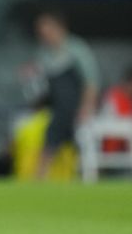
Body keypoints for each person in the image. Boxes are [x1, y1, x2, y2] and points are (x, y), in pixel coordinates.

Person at [33, 11, 100, 178]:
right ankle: (38, 182)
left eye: (48, 30)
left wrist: (86, 107)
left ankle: (93, 180)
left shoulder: (76, 49)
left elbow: (91, 80)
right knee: (49, 143)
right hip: (59, 109)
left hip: (77, 109)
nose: (45, 35)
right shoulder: (45, 54)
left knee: (85, 148)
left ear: (60, 28)